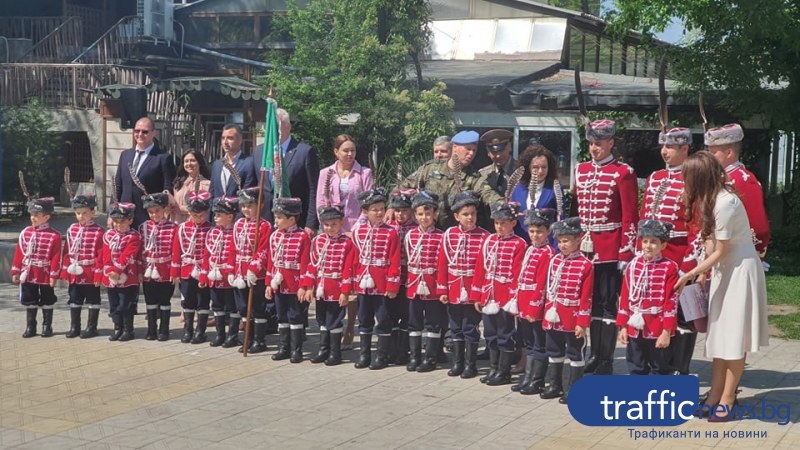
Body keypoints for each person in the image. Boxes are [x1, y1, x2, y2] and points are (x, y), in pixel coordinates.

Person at [675, 150, 769, 422]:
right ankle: (714, 394)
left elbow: (722, 250)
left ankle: (727, 398)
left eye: (687, 177)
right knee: (719, 338)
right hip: (723, 271)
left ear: (699, 177)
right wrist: (704, 274)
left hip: (739, 272)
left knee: (733, 338)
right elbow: (709, 241)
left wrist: (691, 273)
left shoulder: (726, 203)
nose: (684, 182)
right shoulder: (709, 199)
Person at [572, 119, 639, 375]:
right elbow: (575, 210)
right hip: (585, 246)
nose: (594, 148)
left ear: (611, 143)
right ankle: (592, 354)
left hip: (609, 247)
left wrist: (626, 251)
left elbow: (629, 215)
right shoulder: (581, 170)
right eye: (591, 143)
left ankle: (605, 359)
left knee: (606, 303)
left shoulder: (623, 173)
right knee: (586, 302)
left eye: (599, 144)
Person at [640, 127, 697, 375]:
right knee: (656, 309)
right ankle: (658, 364)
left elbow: (697, 224)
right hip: (655, 256)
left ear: (685, 149)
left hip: (680, 254)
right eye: (663, 146)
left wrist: (690, 263)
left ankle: (679, 368)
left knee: (683, 315)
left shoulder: (693, 178)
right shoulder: (655, 177)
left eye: (671, 147)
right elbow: (644, 216)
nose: (665, 151)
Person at [316, 134, 374, 349]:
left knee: (351, 279)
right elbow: (321, 203)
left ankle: (351, 325)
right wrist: (330, 228)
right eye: (345, 150)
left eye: (353, 150)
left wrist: (355, 229)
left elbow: (368, 204)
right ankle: (331, 326)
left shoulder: (364, 173)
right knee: (333, 277)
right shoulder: (326, 173)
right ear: (336, 152)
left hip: (356, 232)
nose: (349, 154)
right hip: (332, 231)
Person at [396, 130, 502, 230]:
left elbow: (487, 193)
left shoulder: (473, 177)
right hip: (428, 232)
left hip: (454, 236)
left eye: (474, 150)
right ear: (455, 148)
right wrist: (393, 206)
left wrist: (501, 203)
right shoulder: (430, 168)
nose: (471, 154)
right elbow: (403, 187)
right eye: (468, 149)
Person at [538, 217, 593, 404]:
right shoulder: (554, 261)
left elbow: (586, 298)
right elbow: (548, 290)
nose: (562, 245)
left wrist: (582, 323)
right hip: (554, 314)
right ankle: (555, 385)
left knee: (575, 353)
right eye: (560, 241)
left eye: (567, 240)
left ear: (578, 240)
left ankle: (574, 389)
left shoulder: (586, 265)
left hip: (572, 316)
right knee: (554, 350)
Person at [472, 200, 527, 386]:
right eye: (496, 222)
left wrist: (513, 299)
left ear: (513, 223)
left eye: (503, 222)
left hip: (505, 296)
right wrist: (478, 296)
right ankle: (494, 368)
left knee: (505, 334)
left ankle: (504, 372)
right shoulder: (489, 240)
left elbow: (517, 273)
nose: (499, 226)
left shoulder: (519, 244)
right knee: (490, 333)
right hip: (489, 295)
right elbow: (481, 268)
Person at [617, 220, 679, 375]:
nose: (648, 246)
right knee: (636, 366)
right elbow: (625, 297)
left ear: (663, 246)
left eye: (653, 242)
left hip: (657, 325)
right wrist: (623, 326)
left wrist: (667, 331)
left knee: (660, 368)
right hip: (634, 326)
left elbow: (671, 301)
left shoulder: (669, 267)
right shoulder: (632, 265)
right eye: (645, 241)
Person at [438, 191, 489, 379]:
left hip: (472, 289)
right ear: (456, 216)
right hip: (453, 287)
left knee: (471, 327)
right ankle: (458, 362)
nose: (470, 217)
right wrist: (442, 289)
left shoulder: (484, 236)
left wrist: (478, 294)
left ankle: (471, 364)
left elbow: (483, 268)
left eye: (473, 213)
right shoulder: (449, 235)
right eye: (466, 214)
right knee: (455, 326)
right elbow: (442, 263)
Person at [300, 200, 356, 366]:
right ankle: (323, 350)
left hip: (336, 286)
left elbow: (348, 270)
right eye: (326, 224)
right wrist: (309, 286)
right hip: (321, 288)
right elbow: (312, 264)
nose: (330, 228)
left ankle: (335, 352)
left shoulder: (347, 243)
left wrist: (345, 291)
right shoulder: (318, 241)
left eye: (334, 224)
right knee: (322, 319)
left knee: (335, 319)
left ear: (341, 223)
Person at [351, 188, 401, 370]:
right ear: (365, 212)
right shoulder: (358, 232)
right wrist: (353, 283)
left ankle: (382, 355)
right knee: (364, 318)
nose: (380, 213)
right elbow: (355, 259)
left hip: (382, 282)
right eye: (375, 210)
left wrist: (392, 284)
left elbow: (394, 260)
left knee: (383, 318)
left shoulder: (391, 232)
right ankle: (364, 354)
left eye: (382, 208)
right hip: (363, 282)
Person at [705, 124, 770, 260]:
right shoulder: (716, 177)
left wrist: (756, 254)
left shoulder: (743, 180)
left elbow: (758, 226)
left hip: (736, 256)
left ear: (729, 153)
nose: (709, 157)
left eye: (713, 153)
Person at [253, 109, 320, 234]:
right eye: (270, 126)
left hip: (295, 221)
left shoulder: (304, 152)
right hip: (264, 222)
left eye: (277, 125)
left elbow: (313, 189)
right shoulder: (258, 152)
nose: (273, 130)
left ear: (288, 127)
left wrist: (311, 223)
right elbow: (255, 187)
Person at [514, 208, 556, 395]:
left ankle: (537, 380)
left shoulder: (548, 253)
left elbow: (541, 284)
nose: (535, 235)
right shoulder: (530, 249)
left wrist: (534, 308)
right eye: (531, 231)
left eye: (539, 231)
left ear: (548, 231)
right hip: (524, 300)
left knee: (539, 343)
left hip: (536, 305)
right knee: (528, 341)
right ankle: (528, 377)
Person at [266, 197, 311, 363]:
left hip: (294, 283)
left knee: (295, 316)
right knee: (281, 316)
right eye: (275, 217)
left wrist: (303, 286)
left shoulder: (302, 237)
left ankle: (296, 350)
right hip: (279, 283)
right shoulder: (275, 236)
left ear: (291, 219)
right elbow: (271, 261)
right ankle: (283, 347)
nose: (276, 221)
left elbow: (306, 263)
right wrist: (268, 284)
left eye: (279, 217)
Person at [404, 191, 445, 372]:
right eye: (420, 214)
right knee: (414, 321)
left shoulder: (441, 236)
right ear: (415, 215)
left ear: (435, 214)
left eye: (428, 213)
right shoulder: (409, 235)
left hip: (432, 284)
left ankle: (431, 358)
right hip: (414, 284)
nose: (424, 217)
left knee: (433, 322)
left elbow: (442, 264)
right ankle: (415, 356)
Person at [12, 196, 61, 338]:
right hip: (29, 272)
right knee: (30, 299)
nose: (33, 218)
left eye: (37, 215)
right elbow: (19, 253)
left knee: (47, 298)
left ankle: (47, 326)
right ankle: (31, 326)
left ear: (46, 217)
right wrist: (16, 271)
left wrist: (53, 275)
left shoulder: (55, 236)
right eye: (32, 214)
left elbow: (56, 257)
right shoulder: (25, 233)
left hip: (44, 272)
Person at [114, 117, 176, 227]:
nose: (140, 134)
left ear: (153, 133)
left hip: (149, 216)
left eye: (145, 132)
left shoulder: (163, 157)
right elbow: (118, 186)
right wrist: (112, 213)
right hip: (124, 217)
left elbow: (167, 187)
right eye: (137, 131)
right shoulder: (125, 155)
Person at [232, 187, 272, 354]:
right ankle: (247, 338)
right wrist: (231, 270)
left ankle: (259, 340)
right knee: (243, 307)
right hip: (240, 272)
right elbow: (233, 248)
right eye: (243, 206)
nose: (246, 209)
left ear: (260, 206)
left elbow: (263, 249)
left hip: (256, 274)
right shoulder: (238, 224)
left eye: (250, 205)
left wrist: (254, 268)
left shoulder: (264, 226)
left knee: (257, 307)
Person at [171, 190, 214, 344]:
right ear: (189, 212)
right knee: (187, 300)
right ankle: (188, 329)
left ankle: (200, 331)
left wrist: (205, 272)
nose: (199, 218)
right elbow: (176, 251)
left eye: (202, 215)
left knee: (203, 301)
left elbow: (209, 252)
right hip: (187, 269)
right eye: (195, 215)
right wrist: (175, 272)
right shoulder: (181, 228)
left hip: (203, 270)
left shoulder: (211, 228)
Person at [61, 193, 104, 339]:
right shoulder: (71, 229)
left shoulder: (99, 231)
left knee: (93, 300)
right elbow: (67, 251)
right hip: (75, 272)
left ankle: (91, 328)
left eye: (85, 213)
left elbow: (101, 255)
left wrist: (99, 274)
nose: (81, 216)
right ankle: (75, 327)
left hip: (90, 272)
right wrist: (65, 270)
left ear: (93, 212)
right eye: (78, 213)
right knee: (74, 299)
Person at [139, 192, 177, 341]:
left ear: (164, 210)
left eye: (157, 211)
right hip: (148, 270)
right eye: (151, 212)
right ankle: (151, 330)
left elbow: (175, 252)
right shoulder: (143, 227)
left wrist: (174, 272)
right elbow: (139, 250)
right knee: (150, 300)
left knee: (165, 300)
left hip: (165, 269)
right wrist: (140, 271)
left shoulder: (173, 228)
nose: (154, 214)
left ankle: (164, 330)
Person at [200, 197, 238, 348]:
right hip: (214, 275)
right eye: (215, 214)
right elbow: (206, 254)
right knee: (217, 306)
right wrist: (204, 275)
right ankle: (220, 334)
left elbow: (235, 255)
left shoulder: (235, 232)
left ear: (229, 216)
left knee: (232, 307)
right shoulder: (212, 233)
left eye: (219, 214)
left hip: (228, 276)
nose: (215, 217)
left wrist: (231, 272)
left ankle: (233, 335)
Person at [101, 202, 141, 342]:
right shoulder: (108, 235)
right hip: (111, 276)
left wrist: (118, 270)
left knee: (126, 304)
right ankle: (117, 328)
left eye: (122, 221)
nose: (119, 225)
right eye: (116, 221)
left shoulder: (134, 236)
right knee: (114, 304)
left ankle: (128, 330)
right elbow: (105, 255)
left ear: (130, 220)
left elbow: (128, 255)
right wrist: (110, 271)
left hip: (127, 276)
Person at [387, 189, 417, 366]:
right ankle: (391, 350)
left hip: (409, 278)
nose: (401, 214)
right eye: (397, 210)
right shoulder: (389, 228)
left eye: (405, 210)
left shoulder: (415, 229)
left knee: (407, 315)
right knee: (390, 315)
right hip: (391, 279)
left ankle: (403, 351)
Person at [511, 144, 566, 241]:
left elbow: (560, 221)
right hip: (521, 243)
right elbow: (511, 219)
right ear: (528, 167)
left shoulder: (555, 189)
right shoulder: (517, 189)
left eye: (544, 167)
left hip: (547, 245)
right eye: (535, 167)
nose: (540, 171)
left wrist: (556, 248)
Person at [209, 124, 257, 202]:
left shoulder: (248, 163)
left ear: (240, 140)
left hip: (237, 212)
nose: (225, 142)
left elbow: (247, 196)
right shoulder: (217, 165)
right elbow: (212, 194)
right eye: (223, 138)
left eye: (230, 138)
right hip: (217, 213)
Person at [169, 150, 211, 224]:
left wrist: (184, 210)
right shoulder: (178, 184)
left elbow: (207, 209)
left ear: (199, 163)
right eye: (186, 161)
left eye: (192, 160)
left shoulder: (207, 185)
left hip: (197, 225)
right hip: (178, 224)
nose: (189, 164)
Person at [479, 129, 518, 195]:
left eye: (502, 150)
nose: (498, 156)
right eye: (494, 152)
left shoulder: (522, 172)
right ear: (488, 152)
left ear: (510, 147)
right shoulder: (483, 175)